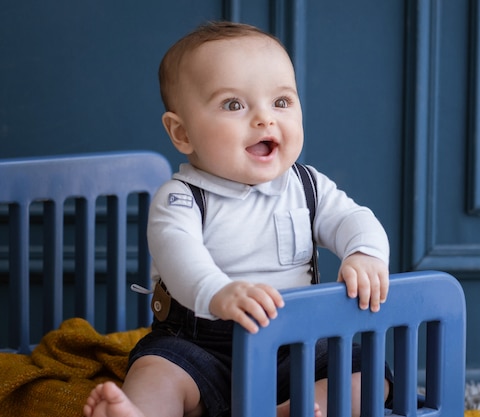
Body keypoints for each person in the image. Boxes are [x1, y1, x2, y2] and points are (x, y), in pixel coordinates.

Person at [84, 21, 391, 417]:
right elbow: (179, 257)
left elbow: (354, 219)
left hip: (296, 346)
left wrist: (364, 253)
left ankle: (297, 408)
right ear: (182, 133)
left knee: (365, 374)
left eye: (281, 102)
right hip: (200, 346)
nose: (265, 119)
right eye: (234, 105)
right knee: (156, 371)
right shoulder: (180, 199)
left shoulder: (307, 185)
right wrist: (217, 292)